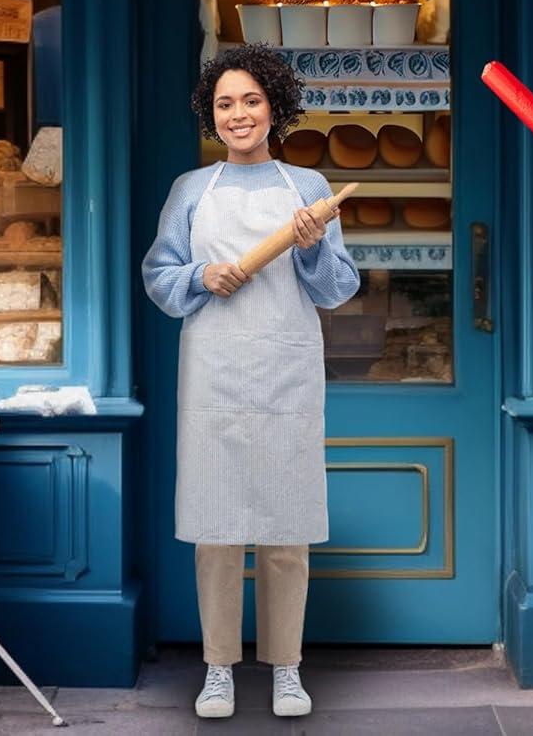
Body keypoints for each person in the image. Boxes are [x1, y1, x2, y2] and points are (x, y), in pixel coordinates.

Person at [143, 44, 359, 720]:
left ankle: (287, 666)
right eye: (225, 103)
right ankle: (217, 668)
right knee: (216, 527)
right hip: (213, 370)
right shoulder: (190, 190)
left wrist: (311, 246)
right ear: (212, 114)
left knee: (285, 526)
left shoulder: (311, 192)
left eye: (250, 100)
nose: (238, 114)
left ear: (275, 107)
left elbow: (337, 288)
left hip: (286, 371)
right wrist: (200, 276)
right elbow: (158, 275)